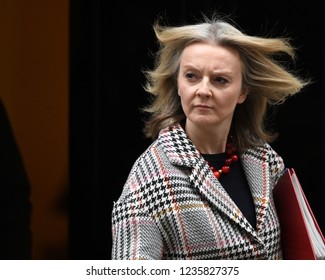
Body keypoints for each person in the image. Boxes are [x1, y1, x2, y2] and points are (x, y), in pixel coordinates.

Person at [111, 14, 310, 260]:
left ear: (242, 92)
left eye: (220, 80)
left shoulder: (265, 161)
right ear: (177, 84)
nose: (203, 90)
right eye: (191, 76)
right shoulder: (147, 180)